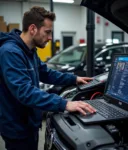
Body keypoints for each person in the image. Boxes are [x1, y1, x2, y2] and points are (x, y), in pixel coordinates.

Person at [0, 6, 96, 150]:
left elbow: (46, 73)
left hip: (30, 121)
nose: (51, 38)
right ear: (33, 29)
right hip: (17, 127)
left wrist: (74, 79)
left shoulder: (29, 50)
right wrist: (64, 104)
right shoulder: (10, 52)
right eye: (47, 32)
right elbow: (25, 92)